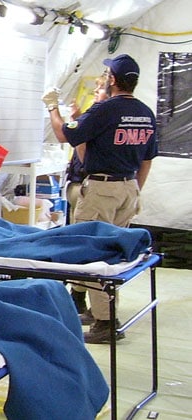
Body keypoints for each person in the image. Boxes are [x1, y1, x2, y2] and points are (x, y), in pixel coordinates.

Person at [42, 53, 158, 344]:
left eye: (107, 75)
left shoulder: (105, 110)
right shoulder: (145, 113)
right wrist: (132, 189)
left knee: (93, 254)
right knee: (114, 253)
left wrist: (52, 107)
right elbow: (147, 159)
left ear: (115, 81)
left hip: (103, 190)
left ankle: (107, 323)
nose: (103, 80)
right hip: (129, 188)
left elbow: (62, 135)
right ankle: (95, 309)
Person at [65, 75, 110, 320]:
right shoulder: (109, 116)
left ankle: (102, 316)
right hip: (90, 187)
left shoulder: (103, 116)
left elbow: (82, 151)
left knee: (91, 251)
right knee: (85, 249)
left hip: (90, 188)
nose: (96, 92)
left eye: (99, 90)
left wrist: (56, 113)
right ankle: (81, 298)